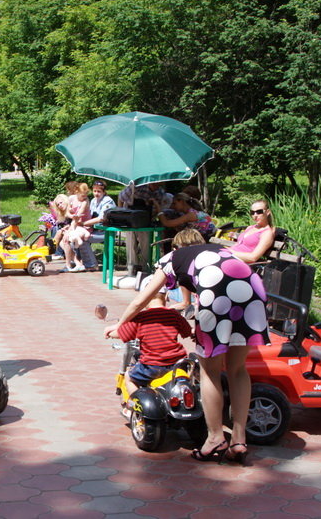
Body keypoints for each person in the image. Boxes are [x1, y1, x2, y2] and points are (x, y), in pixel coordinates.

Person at [103, 229, 267, 464]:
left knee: (209, 370)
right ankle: (239, 440)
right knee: (238, 369)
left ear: (176, 247)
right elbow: (248, 260)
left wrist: (120, 324)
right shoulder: (220, 250)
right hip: (253, 290)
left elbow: (142, 300)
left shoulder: (171, 258)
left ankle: (215, 438)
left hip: (216, 293)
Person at [106, 282, 191, 396]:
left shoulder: (141, 317)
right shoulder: (174, 315)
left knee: (129, 377)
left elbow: (121, 334)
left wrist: (109, 332)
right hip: (176, 363)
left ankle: (136, 402)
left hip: (152, 366)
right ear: (166, 296)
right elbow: (187, 332)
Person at [118, 182, 167, 275]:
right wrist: (121, 215)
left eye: (158, 183)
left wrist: (153, 206)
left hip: (146, 221)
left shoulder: (160, 193)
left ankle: (146, 269)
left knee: (146, 244)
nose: (156, 185)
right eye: (154, 183)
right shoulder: (136, 187)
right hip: (130, 219)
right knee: (131, 244)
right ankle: (131, 268)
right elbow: (121, 197)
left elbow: (159, 209)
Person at [76, 180, 116, 271]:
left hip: (107, 231)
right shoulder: (94, 201)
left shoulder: (107, 201)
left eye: (99, 191)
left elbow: (100, 219)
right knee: (75, 234)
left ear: (104, 192)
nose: (96, 193)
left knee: (83, 238)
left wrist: (83, 223)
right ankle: (80, 261)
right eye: (94, 191)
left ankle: (92, 264)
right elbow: (89, 215)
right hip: (95, 229)